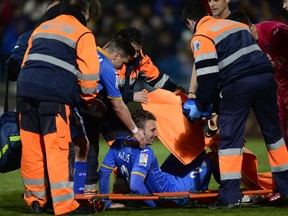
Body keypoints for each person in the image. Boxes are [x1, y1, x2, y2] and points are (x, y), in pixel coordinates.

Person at [182, 1, 288, 209]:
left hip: (239, 83)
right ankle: (285, 189)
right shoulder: (237, 25)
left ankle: (229, 197)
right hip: (267, 79)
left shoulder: (201, 35)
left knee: (230, 140)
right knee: (274, 137)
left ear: (189, 22)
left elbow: (208, 76)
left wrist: (202, 105)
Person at [17, 0, 101, 215]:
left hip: (25, 91)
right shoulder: (83, 33)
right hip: (53, 95)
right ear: (84, 14)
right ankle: (64, 206)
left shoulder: (42, 27)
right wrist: (88, 99)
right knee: (58, 148)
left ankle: (35, 200)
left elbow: (25, 62)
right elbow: (90, 77)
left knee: (32, 147)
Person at [228, 10, 288, 202]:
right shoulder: (247, 48)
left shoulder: (274, 32)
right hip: (280, 91)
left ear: (251, 27)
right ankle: (283, 187)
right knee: (283, 140)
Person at [98, 110, 215, 208]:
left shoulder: (118, 144)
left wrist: (106, 203)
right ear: (138, 131)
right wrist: (155, 204)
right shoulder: (145, 153)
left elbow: (103, 173)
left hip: (166, 177)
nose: (157, 134)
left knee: (196, 152)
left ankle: (200, 190)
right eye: (152, 130)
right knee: (211, 158)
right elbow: (136, 185)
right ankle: (202, 193)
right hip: (173, 194)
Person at [77, 37, 145, 193]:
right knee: (88, 148)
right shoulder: (108, 68)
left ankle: (59, 192)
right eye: (122, 63)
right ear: (115, 56)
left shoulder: (85, 51)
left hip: (62, 104)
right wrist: (135, 131)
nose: (120, 67)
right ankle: (87, 194)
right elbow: (119, 107)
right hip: (81, 113)